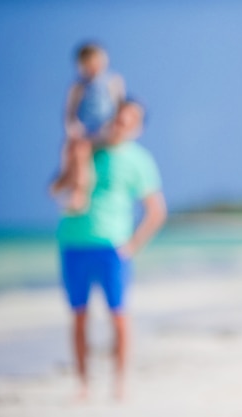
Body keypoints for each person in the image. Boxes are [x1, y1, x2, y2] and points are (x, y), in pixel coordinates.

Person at [56, 99, 167, 400]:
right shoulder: (88, 148)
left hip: (112, 247)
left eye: (130, 119)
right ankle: (83, 385)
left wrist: (132, 245)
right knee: (78, 316)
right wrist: (74, 161)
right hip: (73, 242)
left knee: (118, 316)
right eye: (119, 117)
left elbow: (156, 210)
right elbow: (56, 188)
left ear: (138, 127)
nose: (122, 123)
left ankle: (119, 384)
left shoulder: (139, 160)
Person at [51, 42, 125, 212]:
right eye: (88, 65)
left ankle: (76, 190)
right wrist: (72, 129)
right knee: (73, 149)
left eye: (96, 63)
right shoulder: (78, 86)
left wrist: (114, 128)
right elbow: (70, 112)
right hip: (84, 130)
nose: (93, 69)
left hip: (105, 129)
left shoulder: (113, 81)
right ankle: (71, 185)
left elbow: (120, 107)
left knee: (80, 151)